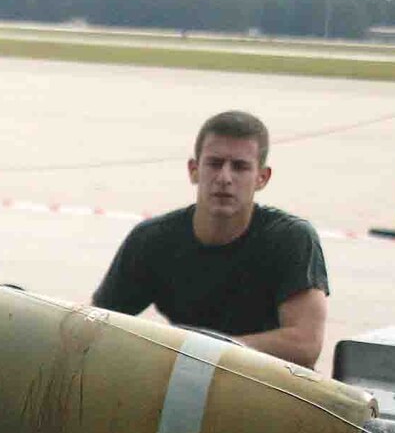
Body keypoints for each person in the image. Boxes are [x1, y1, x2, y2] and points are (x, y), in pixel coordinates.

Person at [90, 110, 328, 369]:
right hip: (185, 383)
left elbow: (305, 345)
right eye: (214, 164)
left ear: (262, 177)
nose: (225, 178)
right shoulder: (152, 240)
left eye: (240, 167)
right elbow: (96, 326)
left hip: (269, 388)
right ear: (194, 170)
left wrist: (205, 352)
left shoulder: (291, 239)